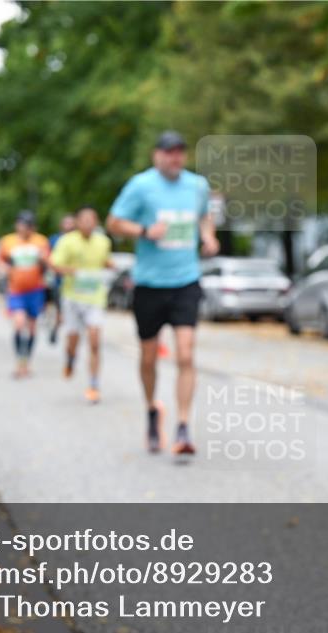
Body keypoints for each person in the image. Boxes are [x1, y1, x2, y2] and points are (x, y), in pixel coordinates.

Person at [107, 130, 219, 457]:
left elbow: (204, 216)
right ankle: (151, 410)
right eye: (169, 152)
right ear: (157, 155)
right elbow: (113, 222)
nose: (175, 158)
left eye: (180, 152)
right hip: (150, 284)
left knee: (185, 354)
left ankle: (183, 426)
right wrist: (143, 231)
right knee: (149, 355)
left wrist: (208, 237)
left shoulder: (197, 186)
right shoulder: (141, 186)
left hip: (186, 280)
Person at [50, 206, 114, 404]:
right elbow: (54, 264)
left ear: (96, 222)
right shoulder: (67, 241)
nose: (87, 223)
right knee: (73, 340)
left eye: (91, 219)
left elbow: (105, 262)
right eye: (83, 219)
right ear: (77, 222)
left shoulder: (104, 242)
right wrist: (73, 271)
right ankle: (70, 358)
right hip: (72, 298)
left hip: (95, 298)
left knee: (95, 340)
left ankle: (94, 384)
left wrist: (110, 265)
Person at [0, 210, 50, 379]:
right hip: (16, 290)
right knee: (19, 323)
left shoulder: (41, 241)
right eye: (21, 224)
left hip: (36, 290)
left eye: (28, 225)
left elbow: (49, 262)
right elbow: (0, 261)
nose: (24, 228)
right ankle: (19, 361)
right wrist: (3, 269)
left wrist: (43, 259)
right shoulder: (8, 241)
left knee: (32, 327)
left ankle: (27, 361)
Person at [47, 214, 77, 344]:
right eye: (66, 223)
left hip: (76, 283)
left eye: (71, 223)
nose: (69, 226)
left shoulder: (78, 240)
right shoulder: (54, 240)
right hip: (59, 282)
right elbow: (49, 260)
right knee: (60, 309)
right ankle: (56, 327)